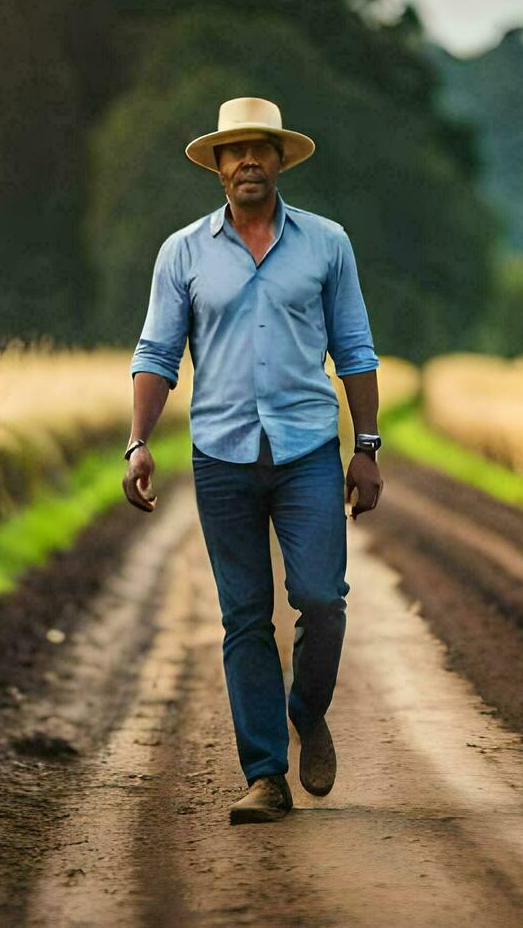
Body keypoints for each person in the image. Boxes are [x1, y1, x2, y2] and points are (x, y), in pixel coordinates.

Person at [121, 96, 384, 824]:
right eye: (232, 151)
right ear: (215, 166)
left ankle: (307, 710)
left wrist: (365, 447)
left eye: (259, 149)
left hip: (306, 451)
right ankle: (266, 777)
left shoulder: (328, 244)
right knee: (244, 618)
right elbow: (156, 353)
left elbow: (355, 350)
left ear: (279, 159)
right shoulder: (183, 252)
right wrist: (139, 441)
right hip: (221, 455)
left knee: (322, 599)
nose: (246, 162)